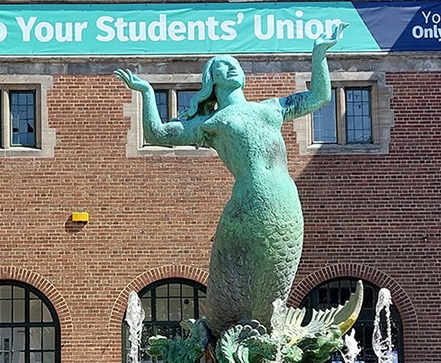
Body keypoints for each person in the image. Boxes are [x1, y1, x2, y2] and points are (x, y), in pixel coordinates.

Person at [114, 20, 347, 337]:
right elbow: (158, 134)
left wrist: (318, 55)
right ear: (212, 79)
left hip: (285, 201)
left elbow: (319, 96)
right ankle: (229, 339)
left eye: (235, 64)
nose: (231, 68)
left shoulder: (271, 108)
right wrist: (147, 93)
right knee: (234, 280)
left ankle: (263, 345)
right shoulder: (213, 122)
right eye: (222, 65)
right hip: (248, 202)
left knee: (275, 279)